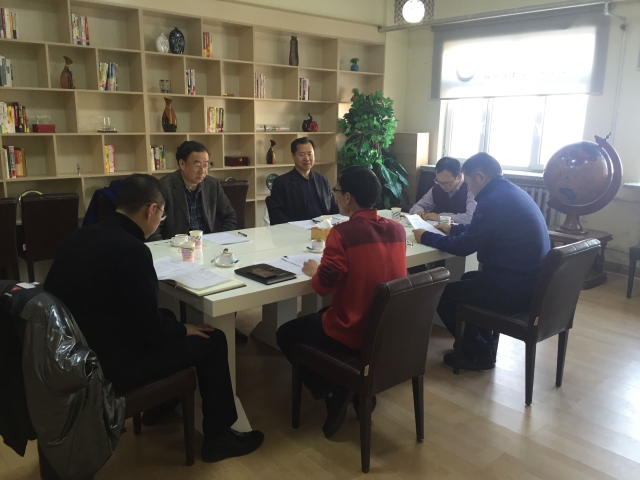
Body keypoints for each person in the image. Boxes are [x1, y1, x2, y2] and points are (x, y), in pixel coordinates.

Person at [44, 174, 264, 463]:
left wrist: (175, 326)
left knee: (169, 315)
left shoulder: (76, 237)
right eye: (162, 214)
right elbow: (149, 331)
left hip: (73, 352)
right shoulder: (133, 250)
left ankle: (161, 403)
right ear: (151, 210)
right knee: (212, 339)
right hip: (110, 365)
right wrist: (182, 329)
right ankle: (219, 436)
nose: (160, 220)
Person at [276, 166, 407, 438]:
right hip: (387, 329)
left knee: (285, 333)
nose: (335, 196)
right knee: (320, 316)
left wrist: (316, 271)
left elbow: (323, 286)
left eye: (337, 191)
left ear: (348, 197)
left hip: (353, 329)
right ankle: (348, 385)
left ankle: (333, 388)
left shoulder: (343, 233)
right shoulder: (397, 230)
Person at [412, 153, 550, 371]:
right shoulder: (507, 192)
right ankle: (484, 345)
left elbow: (464, 247)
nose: (469, 189)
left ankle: (477, 354)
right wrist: (453, 229)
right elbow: (483, 230)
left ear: (481, 177)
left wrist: (425, 236)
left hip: (514, 289)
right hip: (528, 281)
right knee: (468, 278)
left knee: (443, 295)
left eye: (468, 182)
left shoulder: (492, 201)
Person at [148, 141, 236, 241]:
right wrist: (163, 247)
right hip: (176, 245)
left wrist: (222, 239)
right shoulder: (164, 187)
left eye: (205, 165)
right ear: (182, 164)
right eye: (197, 165)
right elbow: (153, 228)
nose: (202, 171)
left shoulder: (212, 185)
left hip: (207, 243)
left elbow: (229, 215)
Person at [268, 137, 339, 225]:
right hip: (298, 230)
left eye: (310, 154)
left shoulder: (322, 179)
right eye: (301, 154)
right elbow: (276, 215)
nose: (307, 158)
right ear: (293, 156)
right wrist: (295, 228)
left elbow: (333, 207)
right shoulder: (281, 183)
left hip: (324, 228)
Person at [410, 156, 476, 225]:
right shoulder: (437, 187)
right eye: (439, 181)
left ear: (459, 177)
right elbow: (417, 206)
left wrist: (440, 217)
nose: (442, 186)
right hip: (436, 228)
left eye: (447, 183)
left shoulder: (470, 188)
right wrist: (419, 211)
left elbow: (470, 218)